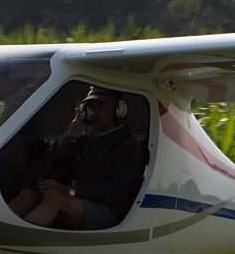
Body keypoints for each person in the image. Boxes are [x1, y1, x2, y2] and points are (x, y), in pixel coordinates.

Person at [8, 86, 144, 229]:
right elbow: (53, 167)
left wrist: (68, 190)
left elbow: (114, 193)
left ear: (118, 110)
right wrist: (67, 137)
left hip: (108, 211)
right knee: (29, 195)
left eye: (101, 106)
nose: (94, 112)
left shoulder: (129, 148)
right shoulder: (84, 143)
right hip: (74, 201)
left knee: (55, 198)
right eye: (90, 107)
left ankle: (18, 237)